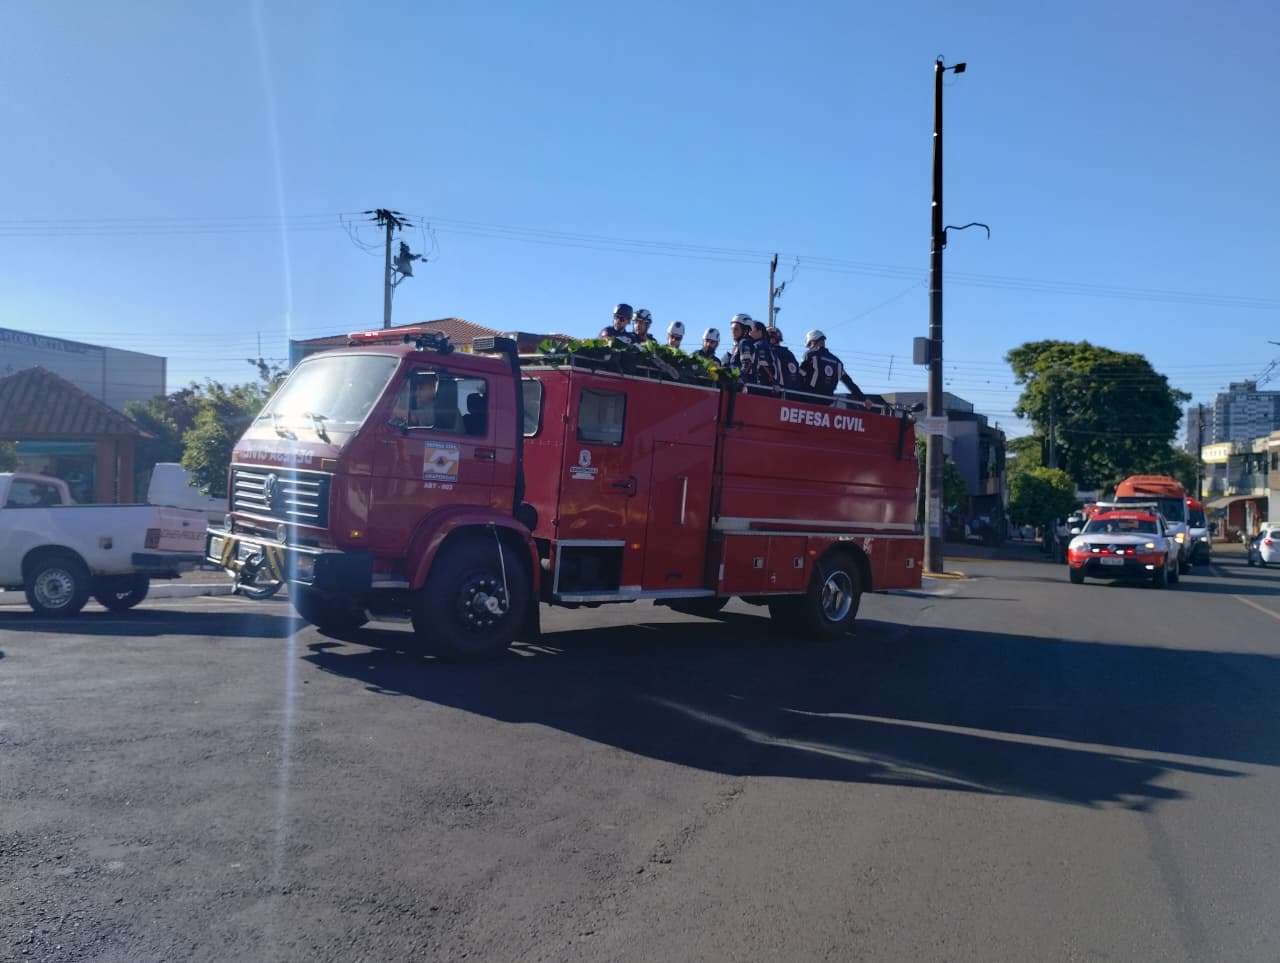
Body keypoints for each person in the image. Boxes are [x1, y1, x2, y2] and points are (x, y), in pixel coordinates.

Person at [799, 329, 864, 400]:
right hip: (828, 401)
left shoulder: (810, 354)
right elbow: (849, 382)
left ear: (813, 342)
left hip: (809, 399)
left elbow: (799, 374)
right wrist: (864, 398)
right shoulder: (837, 362)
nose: (809, 348)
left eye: (809, 345)